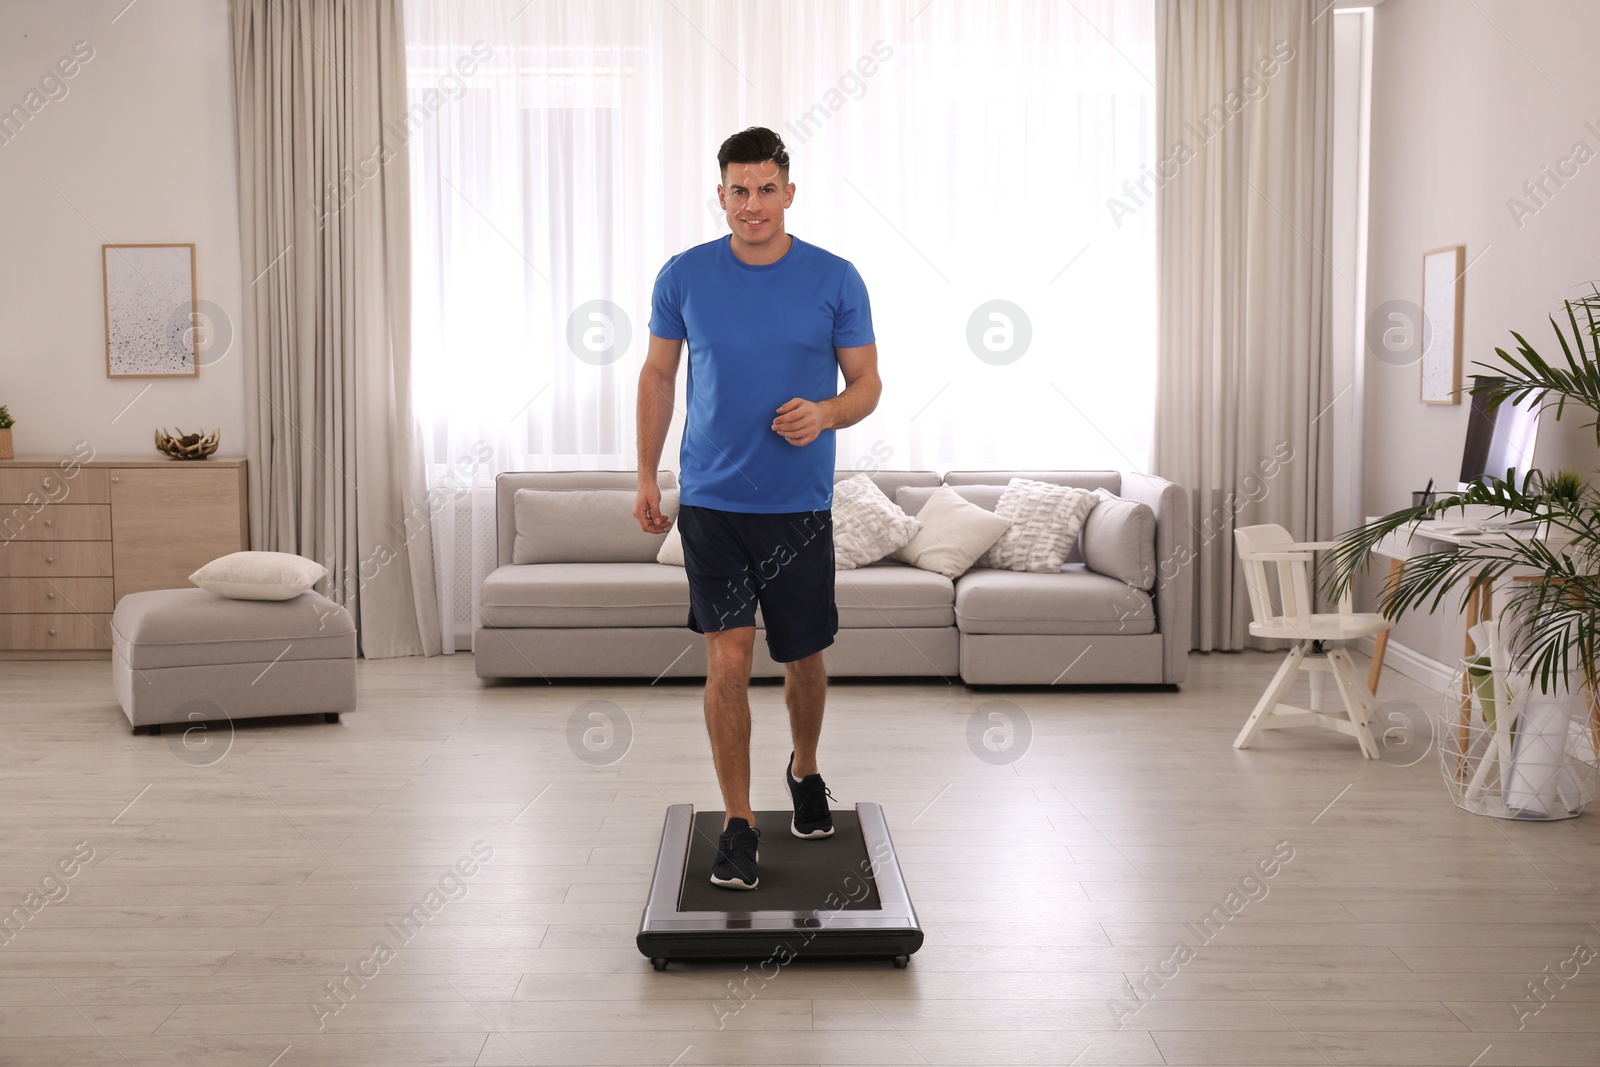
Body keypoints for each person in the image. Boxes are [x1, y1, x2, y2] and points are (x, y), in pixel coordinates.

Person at [633, 126, 882, 890]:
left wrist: (827, 414)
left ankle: (804, 767)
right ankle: (739, 821)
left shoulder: (836, 278)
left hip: (797, 506)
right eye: (738, 191)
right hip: (711, 502)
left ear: (789, 192)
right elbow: (656, 375)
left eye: (766, 189)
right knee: (729, 662)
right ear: (721, 195)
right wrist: (646, 474)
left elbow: (866, 384)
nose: (752, 205)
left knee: (803, 658)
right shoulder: (684, 275)